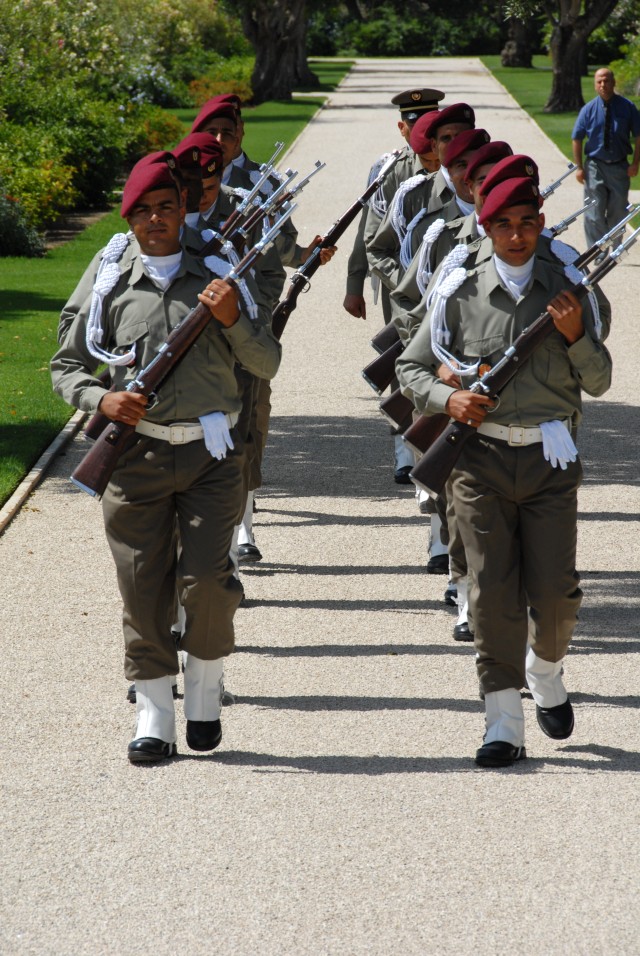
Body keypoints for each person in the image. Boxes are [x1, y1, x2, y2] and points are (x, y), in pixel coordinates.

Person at [51, 156, 282, 764]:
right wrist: (103, 397)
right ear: (129, 217)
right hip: (133, 456)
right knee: (142, 586)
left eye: (167, 207)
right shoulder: (106, 277)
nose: (156, 219)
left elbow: (266, 363)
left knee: (208, 581)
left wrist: (233, 320)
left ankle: (204, 694)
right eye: (143, 210)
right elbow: (66, 365)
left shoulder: (221, 271)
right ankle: (154, 712)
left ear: (185, 211)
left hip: (210, 454)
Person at [396, 176, 612, 767]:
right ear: (486, 229)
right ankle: (502, 722)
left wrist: (573, 338)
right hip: (478, 460)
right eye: (503, 225)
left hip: (549, 458)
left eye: (526, 223)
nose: (516, 235)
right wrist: (448, 403)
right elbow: (411, 369)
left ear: (541, 224)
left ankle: (544, 669)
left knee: (555, 594)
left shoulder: (571, 288)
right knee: (489, 592)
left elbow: (598, 380)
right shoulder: (458, 290)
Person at [571, 67, 640, 249]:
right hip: (595, 166)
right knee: (594, 210)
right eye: (599, 81)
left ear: (613, 82)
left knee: (618, 210)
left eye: (606, 81)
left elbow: (639, 135)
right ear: (595, 85)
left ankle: (614, 247)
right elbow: (576, 138)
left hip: (619, 166)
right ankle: (597, 250)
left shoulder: (628, 107)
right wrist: (579, 167)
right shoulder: (588, 110)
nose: (603, 85)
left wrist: (635, 163)